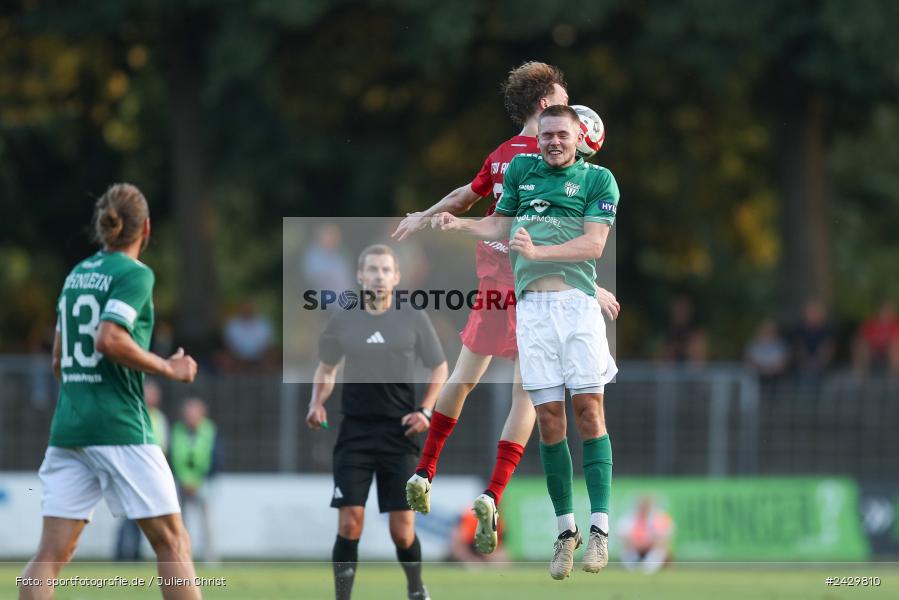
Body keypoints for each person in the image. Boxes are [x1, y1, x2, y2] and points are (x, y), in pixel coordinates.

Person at [395, 61, 620, 557]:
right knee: (530, 400)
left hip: (494, 283)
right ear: (546, 108)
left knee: (463, 378)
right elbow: (557, 227)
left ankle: (425, 468)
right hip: (536, 288)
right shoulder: (550, 158)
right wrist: (592, 288)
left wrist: (427, 215)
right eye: (562, 102)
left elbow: (467, 198)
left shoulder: (501, 156)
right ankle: (493, 493)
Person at [19, 183, 200, 600]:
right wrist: (168, 368)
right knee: (173, 542)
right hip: (120, 426)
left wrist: (83, 400)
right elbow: (110, 339)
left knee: (51, 552)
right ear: (147, 229)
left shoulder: (77, 274)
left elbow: (57, 359)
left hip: (70, 428)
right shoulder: (135, 274)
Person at [305, 244, 448, 600]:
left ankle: (416, 589)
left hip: (400, 436)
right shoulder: (343, 318)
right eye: (373, 269)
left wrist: (427, 410)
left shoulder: (413, 317)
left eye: (386, 270)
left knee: (402, 531)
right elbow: (326, 368)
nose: (379, 276)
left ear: (396, 277)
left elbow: (440, 367)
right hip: (354, 432)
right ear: (360, 275)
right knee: (350, 521)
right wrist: (316, 402)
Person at [115, 378, 169, 561]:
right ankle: (122, 554)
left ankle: (135, 554)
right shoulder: (133, 414)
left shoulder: (159, 417)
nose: (153, 398)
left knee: (143, 518)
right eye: (150, 394)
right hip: (133, 473)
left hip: (151, 474)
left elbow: (163, 446)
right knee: (129, 517)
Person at [170, 398, 221, 564]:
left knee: (207, 523)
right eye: (188, 412)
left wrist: (197, 480)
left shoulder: (209, 430)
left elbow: (215, 458)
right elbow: (174, 456)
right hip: (182, 483)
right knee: (180, 524)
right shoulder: (178, 430)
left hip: (203, 483)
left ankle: (210, 558)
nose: (190, 416)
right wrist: (184, 480)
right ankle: (182, 556)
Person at [619, 496, 674, 573]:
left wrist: (648, 544)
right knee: (626, 551)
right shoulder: (629, 518)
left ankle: (649, 569)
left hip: (651, 548)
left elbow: (663, 539)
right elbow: (624, 537)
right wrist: (638, 544)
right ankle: (633, 569)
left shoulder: (659, 518)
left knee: (660, 550)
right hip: (634, 548)